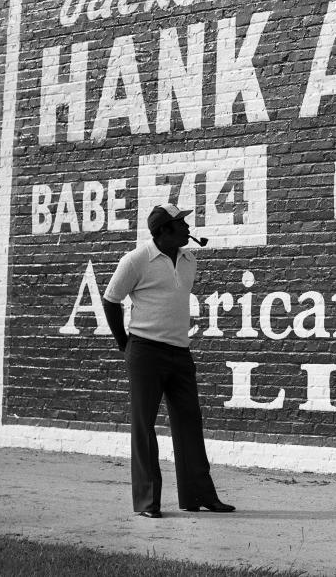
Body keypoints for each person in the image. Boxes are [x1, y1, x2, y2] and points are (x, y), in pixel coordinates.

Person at [102, 203, 235, 518]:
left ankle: (198, 496)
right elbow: (110, 300)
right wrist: (125, 344)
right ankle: (148, 502)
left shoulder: (189, 259)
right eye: (181, 223)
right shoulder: (136, 260)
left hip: (180, 351)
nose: (188, 228)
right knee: (144, 426)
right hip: (145, 351)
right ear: (163, 231)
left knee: (190, 422)